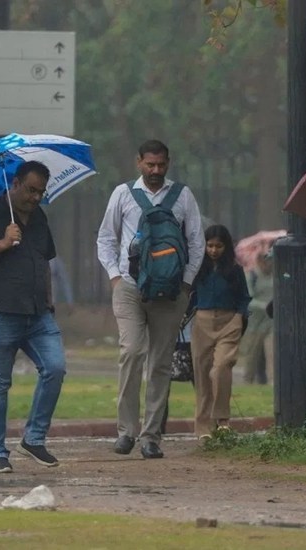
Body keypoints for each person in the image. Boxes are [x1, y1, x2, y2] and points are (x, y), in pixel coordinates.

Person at [96, 139, 204, 459]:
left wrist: (186, 284)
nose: (156, 170)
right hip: (130, 287)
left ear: (168, 163)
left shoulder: (182, 195)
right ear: (139, 162)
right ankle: (126, 431)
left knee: (160, 362)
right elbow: (106, 238)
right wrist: (115, 277)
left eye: (161, 164)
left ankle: (151, 436)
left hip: (171, 291)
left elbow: (196, 242)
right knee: (131, 352)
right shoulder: (122, 194)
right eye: (150, 164)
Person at [0, 160, 65, 473]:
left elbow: (44, 260)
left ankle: (34, 438)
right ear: (14, 184)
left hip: (37, 313)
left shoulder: (39, 217)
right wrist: (3, 242)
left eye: (40, 192)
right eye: (30, 190)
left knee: (55, 367)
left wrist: (49, 300)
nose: (35, 197)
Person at [190, 225, 250, 440]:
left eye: (219, 246)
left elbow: (244, 297)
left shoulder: (234, 270)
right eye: (210, 246)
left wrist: (239, 317)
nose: (214, 250)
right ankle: (203, 427)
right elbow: (189, 294)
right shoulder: (197, 268)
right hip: (202, 322)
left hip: (229, 321)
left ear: (227, 247)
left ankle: (223, 420)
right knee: (202, 374)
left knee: (221, 367)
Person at [239, 251, 274, 384]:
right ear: (259, 261)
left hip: (271, 322)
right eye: (266, 261)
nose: (269, 264)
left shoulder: (275, 276)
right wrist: (265, 305)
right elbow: (247, 299)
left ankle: (272, 382)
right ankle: (247, 381)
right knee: (252, 355)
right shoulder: (252, 276)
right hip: (255, 323)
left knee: (272, 353)